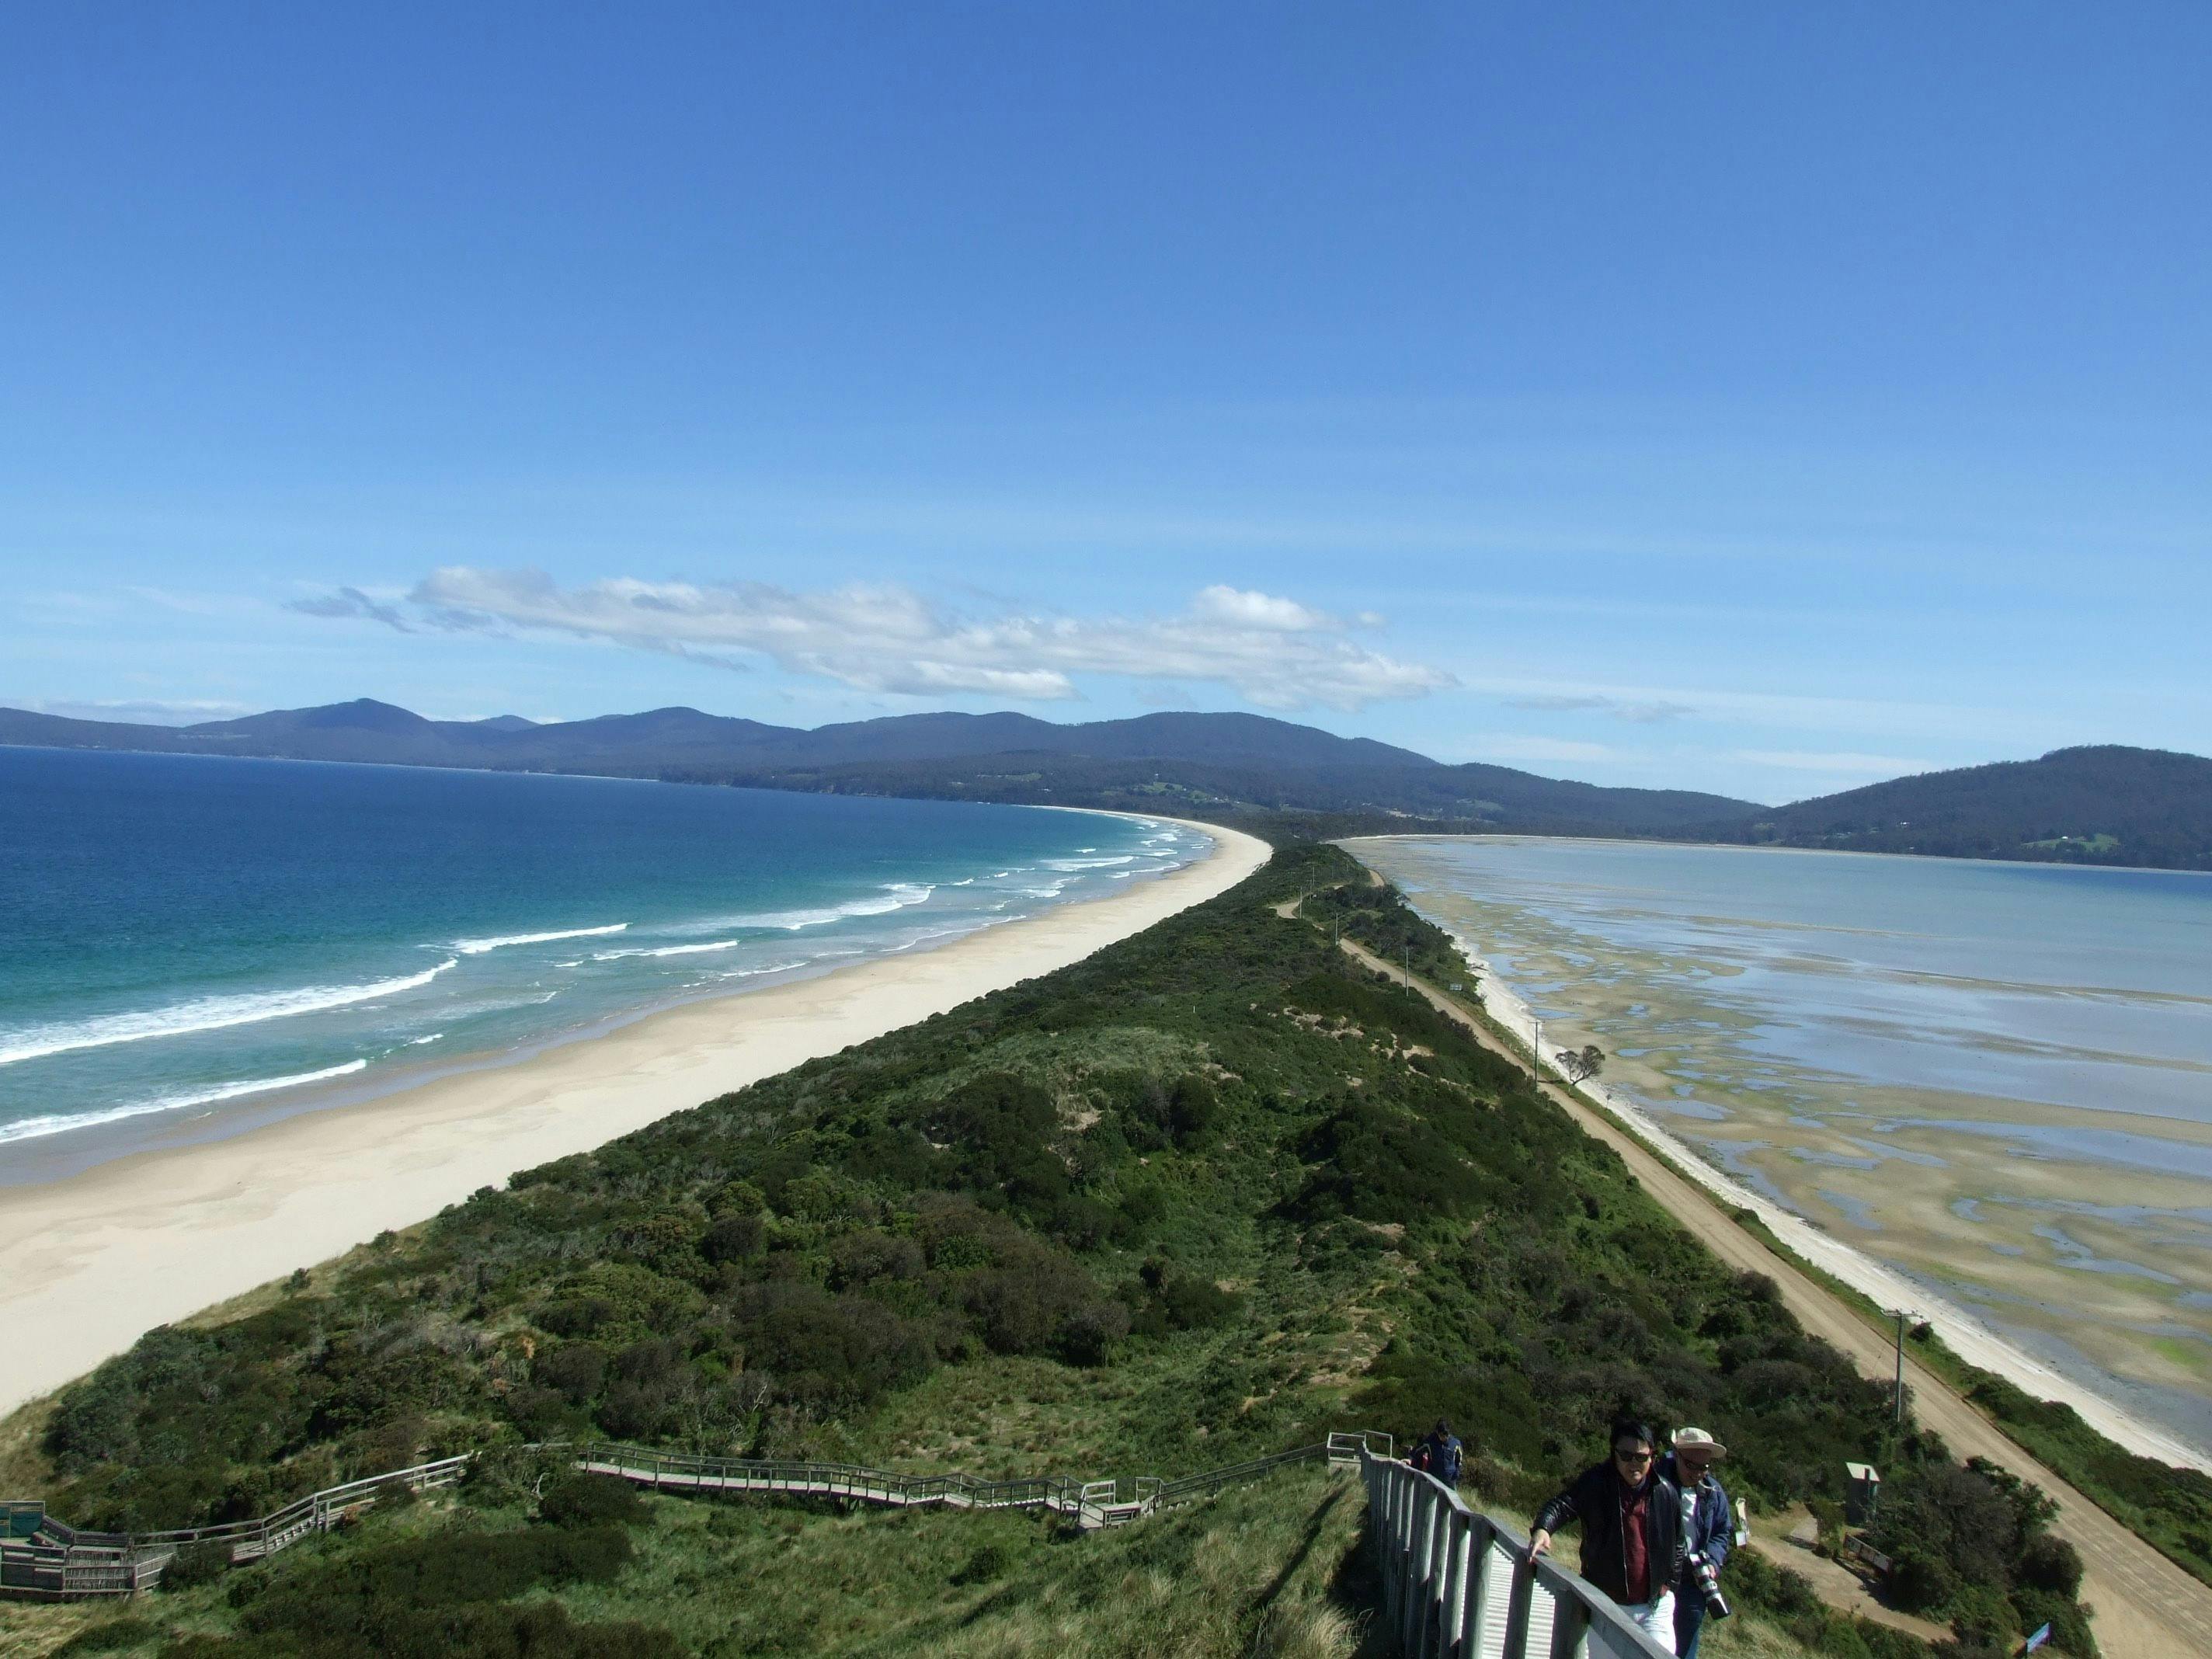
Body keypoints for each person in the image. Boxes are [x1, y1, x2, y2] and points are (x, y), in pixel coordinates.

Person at [1528, 1417, 1685, 1654]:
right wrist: (1542, 1529)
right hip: (1605, 1604)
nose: (1634, 1463)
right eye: (1626, 1456)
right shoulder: (1596, 1483)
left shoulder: (1665, 1492)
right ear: (1614, 1454)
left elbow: (1679, 1544)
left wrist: (1669, 1585)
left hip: (1655, 1606)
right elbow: (1562, 1505)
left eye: (1641, 1457)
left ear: (1652, 1457)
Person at [1660, 1427, 1732, 1659]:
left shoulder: (1713, 1492)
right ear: (1676, 1454)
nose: (1698, 1473)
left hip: (1693, 1580)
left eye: (1705, 1467)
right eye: (1692, 1465)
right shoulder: (1654, 1482)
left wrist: (1713, 1561)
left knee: (1686, 1645)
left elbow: (1722, 1532)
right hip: (1657, 1576)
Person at [1409, 1419, 1463, 1487]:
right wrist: (1410, 1459)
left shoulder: (1456, 1443)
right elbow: (1417, 1451)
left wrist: (1457, 1473)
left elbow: (1459, 1460)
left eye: (1446, 1435)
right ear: (1437, 1432)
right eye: (1441, 1435)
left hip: (1449, 1479)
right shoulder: (1430, 1441)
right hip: (1433, 1478)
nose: (1444, 1437)